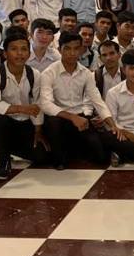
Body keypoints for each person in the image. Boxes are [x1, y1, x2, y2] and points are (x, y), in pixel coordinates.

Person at [40, 31, 118, 169]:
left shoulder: (86, 73)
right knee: (53, 122)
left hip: (80, 117)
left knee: (101, 158)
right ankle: (60, 158)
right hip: (59, 117)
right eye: (67, 49)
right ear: (59, 50)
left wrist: (113, 125)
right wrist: (72, 117)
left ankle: (74, 149)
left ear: (81, 50)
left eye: (76, 48)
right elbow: (46, 104)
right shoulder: (49, 72)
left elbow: (97, 100)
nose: (72, 53)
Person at [0, 29, 50, 180]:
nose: (20, 53)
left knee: (42, 157)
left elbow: (37, 104)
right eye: (14, 49)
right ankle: (3, 162)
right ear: (5, 54)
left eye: (24, 49)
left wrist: (38, 130)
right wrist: (22, 109)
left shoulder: (34, 74)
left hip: (26, 123)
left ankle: (8, 147)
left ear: (29, 53)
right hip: (5, 122)